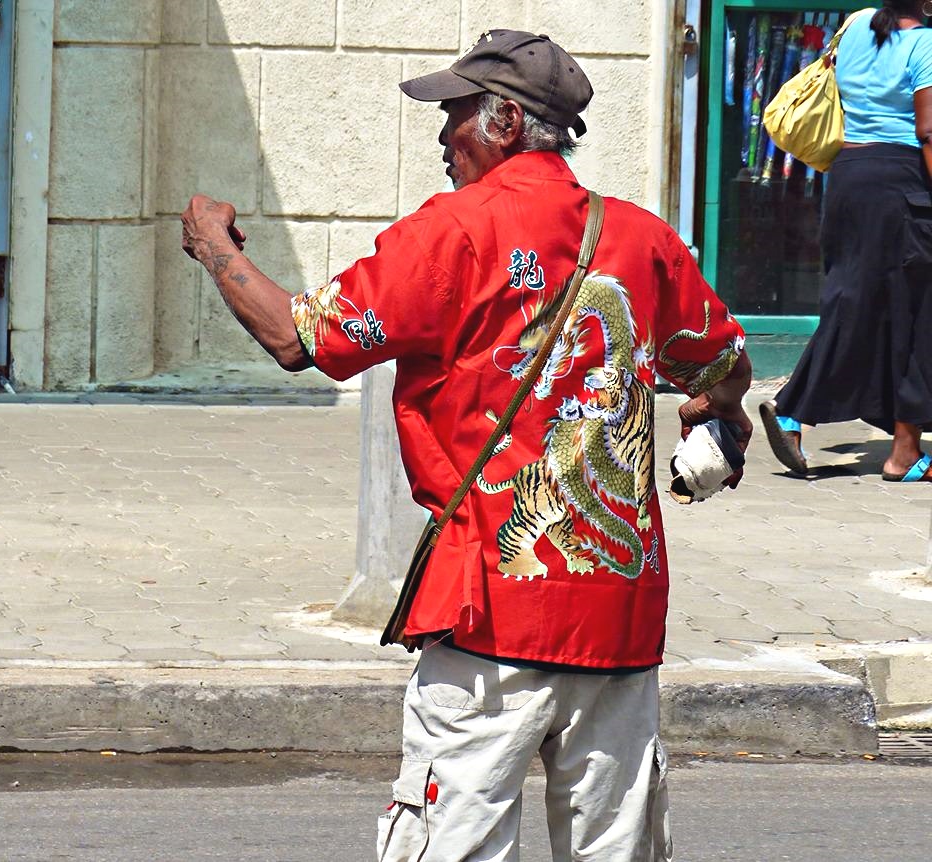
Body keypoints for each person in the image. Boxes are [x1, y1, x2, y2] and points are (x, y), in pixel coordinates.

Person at [181, 30, 752, 861]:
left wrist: (214, 247)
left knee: (454, 839)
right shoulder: (642, 239)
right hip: (619, 616)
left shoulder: (452, 231)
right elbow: (726, 362)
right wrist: (717, 418)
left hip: (494, 608)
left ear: (507, 122)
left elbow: (302, 339)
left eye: (454, 116)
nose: (443, 137)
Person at [761, 1, 932, 482]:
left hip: (848, 177)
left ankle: (897, 445)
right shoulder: (925, 44)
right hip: (902, 184)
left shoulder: (856, 25)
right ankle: (898, 451)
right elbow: (929, 130)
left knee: (854, 301)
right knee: (915, 313)